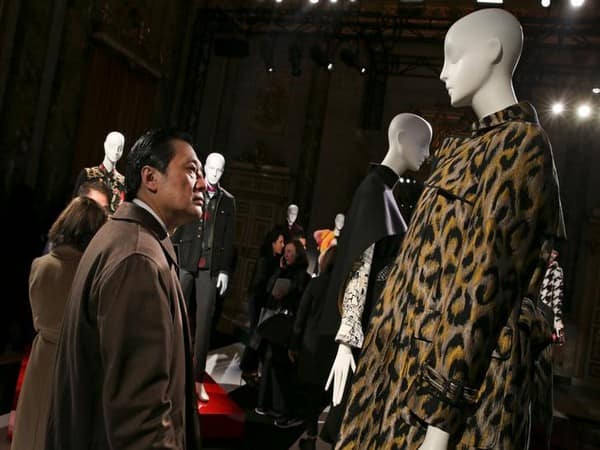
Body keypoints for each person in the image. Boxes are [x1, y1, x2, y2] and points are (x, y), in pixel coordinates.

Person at [335, 9, 565, 450]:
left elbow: (481, 291)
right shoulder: (461, 150)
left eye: (454, 57)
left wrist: (439, 424)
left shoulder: (522, 147)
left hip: (450, 405)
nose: (443, 72)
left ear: (492, 52)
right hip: (397, 379)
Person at [46, 128, 205, 450]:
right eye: (191, 170)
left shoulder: (130, 238)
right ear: (150, 177)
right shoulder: (138, 259)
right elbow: (141, 419)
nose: (202, 184)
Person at [318, 112, 432, 444]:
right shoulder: (374, 193)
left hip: (379, 331)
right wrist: (346, 342)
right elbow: (359, 267)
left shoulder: (383, 193)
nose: (427, 154)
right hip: (367, 334)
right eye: (422, 144)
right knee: (351, 425)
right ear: (401, 140)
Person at [10, 197, 108, 450]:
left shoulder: (40, 266)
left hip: (41, 356)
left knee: (32, 425)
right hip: (74, 360)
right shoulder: (93, 276)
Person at [172, 151, 236, 402]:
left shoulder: (227, 201)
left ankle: (197, 381)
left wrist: (224, 271)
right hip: (186, 260)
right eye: (211, 168)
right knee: (176, 315)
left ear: (223, 172)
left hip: (210, 267)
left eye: (219, 170)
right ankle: (171, 372)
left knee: (204, 324)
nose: (215, 173)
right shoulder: (191, 189)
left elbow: (229, 238)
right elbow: (178, 222)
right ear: (205, 167)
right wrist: (171, 254)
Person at [255, 239, 310, 428]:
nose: (286, 255)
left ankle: (274, 408)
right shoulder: (282, 270)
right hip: (276, 320)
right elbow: (268, 289)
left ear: (298, 254)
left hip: (288, 322)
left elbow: (300, 298)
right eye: (285, 251)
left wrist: (288, 292)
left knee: (278, 363)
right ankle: (269, 407)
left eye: (290, 252)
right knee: (271, 361)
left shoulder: (303, 275)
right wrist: (279, 271)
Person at [288, 245, 338, 450]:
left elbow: (301, 315)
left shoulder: (316, 284)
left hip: (311, 345)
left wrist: (294, 344)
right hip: (332, 348)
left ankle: (311, 436)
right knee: (329, 395)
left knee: (311, 395)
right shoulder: (343, 288)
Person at [239, 229, 286, 385]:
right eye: (280, 242)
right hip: (258, 301)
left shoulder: (274, 260)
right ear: (273, 243)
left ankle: (249, 369)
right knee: (256, 335)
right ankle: (247, 369)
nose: (283, 245)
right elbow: (261, 285)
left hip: (262, 301)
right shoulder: (265, 260)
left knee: (257, 336)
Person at [73, 130, 126, 213]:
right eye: (112, 146)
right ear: (105, 145)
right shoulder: (88, 174)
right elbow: (75, 205)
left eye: (120, 148)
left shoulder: (123, 182)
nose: (116, 151)